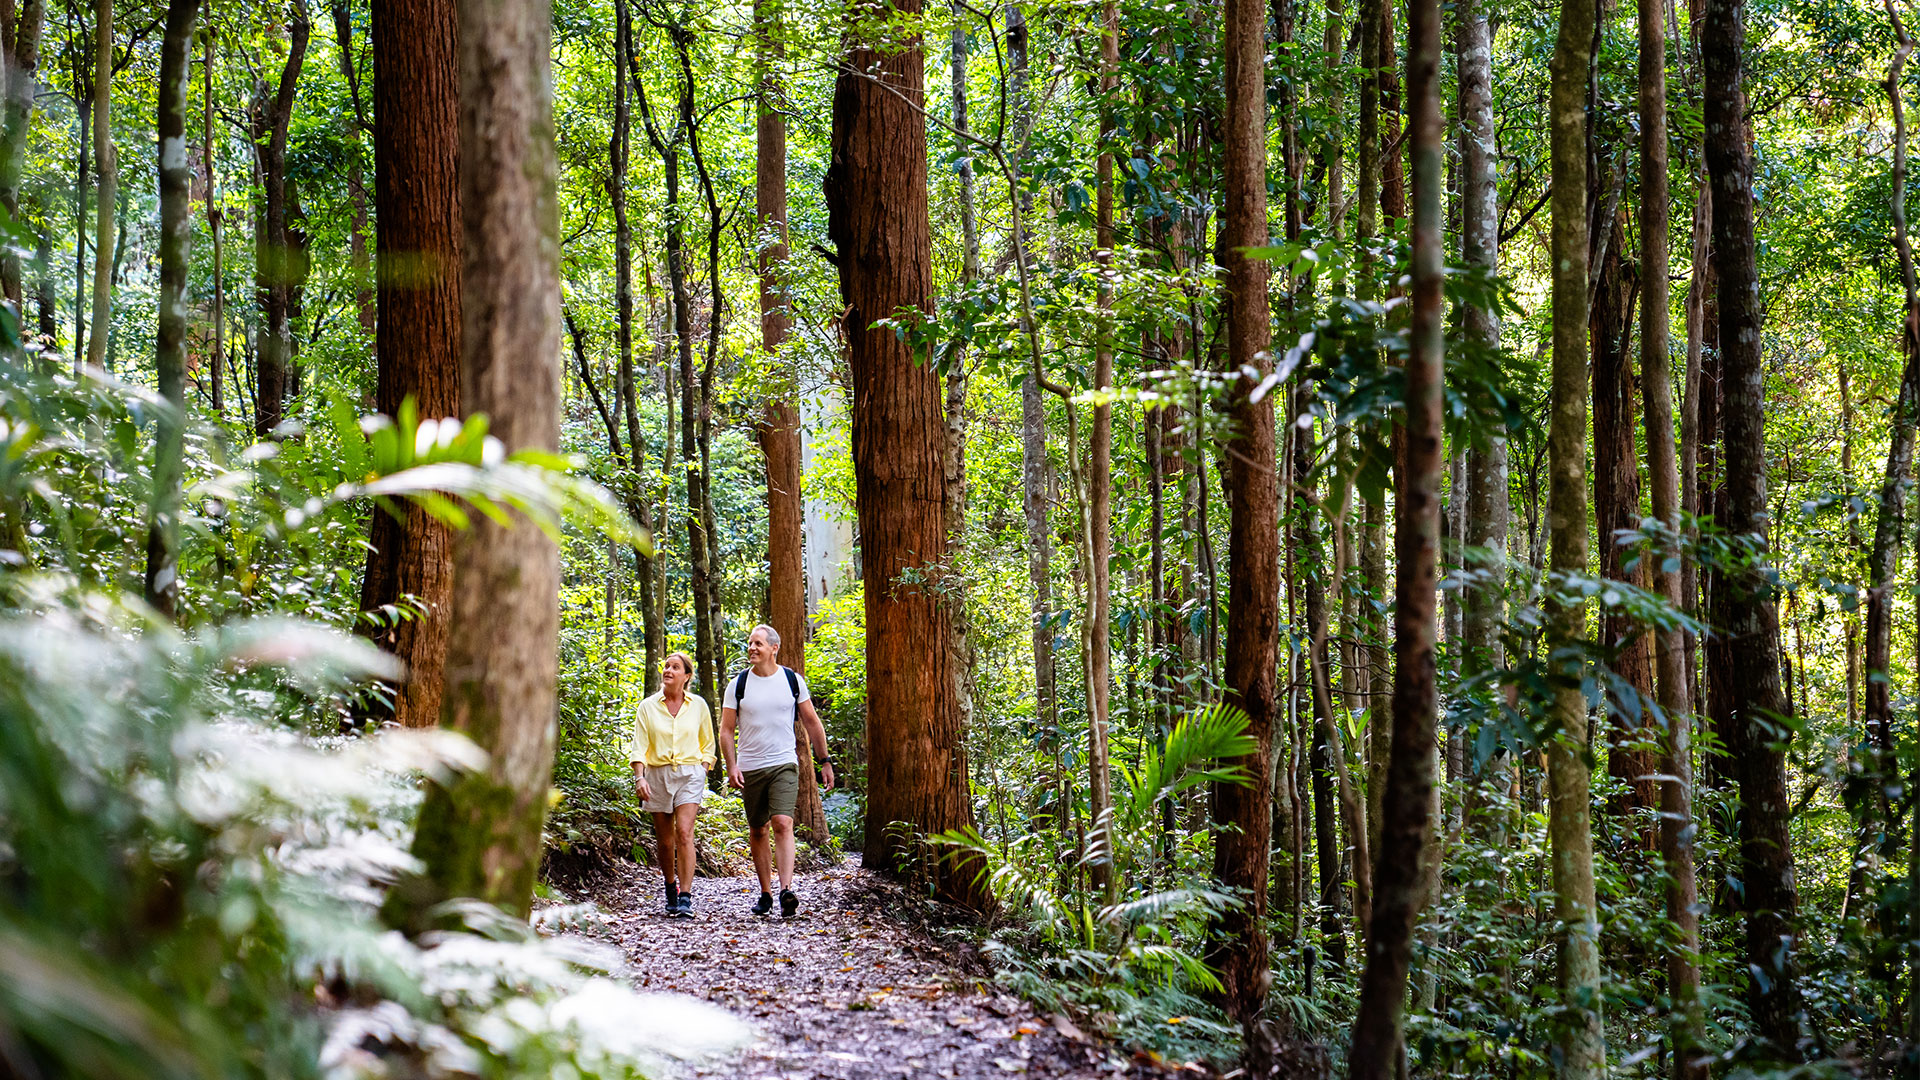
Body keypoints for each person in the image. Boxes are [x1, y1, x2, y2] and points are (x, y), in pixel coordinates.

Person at [719, 624, 835, 917]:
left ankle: (786, 890)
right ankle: (766, 893)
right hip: (751, 766)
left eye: (758, 643)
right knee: (758, 829)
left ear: (774, 648)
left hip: (784, 762)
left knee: (783, 822)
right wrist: (731, 766)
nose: (752, 648)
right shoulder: (738, 685)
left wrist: (825, 760)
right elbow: (726, 730)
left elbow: (811, 722)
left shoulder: (792, 680)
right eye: (750, 643)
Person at [630, 652, 714, 917]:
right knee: (665, 841)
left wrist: (703, 770)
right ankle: (670, 887)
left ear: (686, 676)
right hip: (657, 775)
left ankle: (686, 896)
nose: (668, 670)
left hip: (690, 774)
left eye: (675, 667)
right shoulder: (648, 706)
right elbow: (639, 747)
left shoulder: (698, 705)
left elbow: (707, 744)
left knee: (685, 833)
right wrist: (640, 777)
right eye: (666, 666)